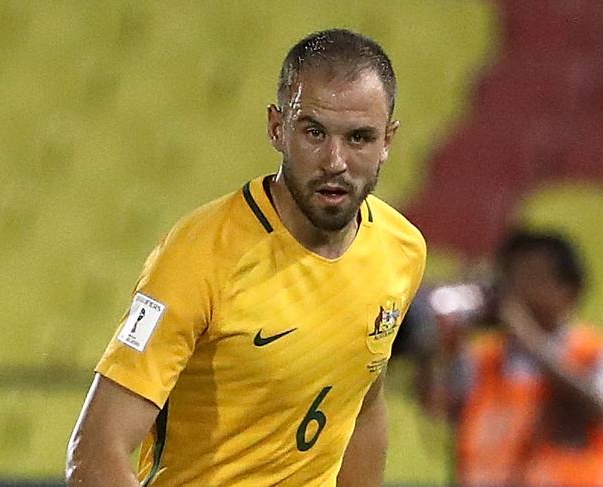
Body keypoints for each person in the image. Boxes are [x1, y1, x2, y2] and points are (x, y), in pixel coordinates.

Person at [65, 28, 426, 487]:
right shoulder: (197, 256)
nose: (335, 160)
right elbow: (95, 452)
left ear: (388, 140)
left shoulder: (402, 250)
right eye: (314, 132)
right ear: (278, 128)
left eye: (359, 138)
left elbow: (364, 403)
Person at [418, 230, 603, 487]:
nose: (517, 289)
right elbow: (437, 406)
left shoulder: (591, 352)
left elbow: (596, 407)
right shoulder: (485, 357)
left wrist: (524, 332)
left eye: (533, 278)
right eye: (511, 277)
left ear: (568, 290)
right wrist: (441, 343)